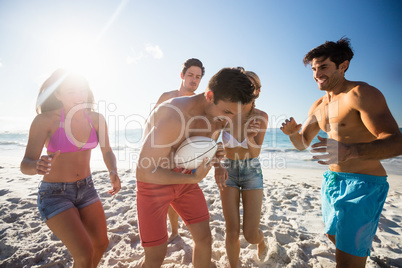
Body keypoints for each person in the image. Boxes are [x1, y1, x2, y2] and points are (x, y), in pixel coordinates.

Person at [280, 38, 402, 268]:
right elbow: (302, 142)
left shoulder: (361, 93)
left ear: (343, 66)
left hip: (364, 185)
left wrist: (350, 151)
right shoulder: (318, 105)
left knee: (346, 260)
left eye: (323, 67)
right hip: (332, 181)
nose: (317, 74)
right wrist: (291, 134)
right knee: (333, 236)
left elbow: (396, 142)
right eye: (314, 69)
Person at [136, 67, 255, 267]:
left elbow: (207, 144)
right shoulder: (175, 116)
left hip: (186, 182)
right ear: (209, 96)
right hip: (155, 183)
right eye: (226, 112)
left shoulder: (219, 116)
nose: (229, 120)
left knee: (204, 239)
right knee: (156, 254)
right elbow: (144, 170)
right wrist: (193, 178)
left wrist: (217, 162)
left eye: (234, 115)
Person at [20, 69, 121, 267]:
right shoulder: (45, 121)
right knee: (84, 253)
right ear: (57, 95)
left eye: (82, 91)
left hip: (86, 188)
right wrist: (37, 166)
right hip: (55, 194)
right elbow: (26, 164)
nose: (79, 97)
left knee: (101, 243)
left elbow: (107, 150)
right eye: (71, 92)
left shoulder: (96, 119)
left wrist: (113, 170)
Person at [214, 68, 268, 267]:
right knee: (232, 231)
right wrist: (216, 164)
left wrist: (252, 137)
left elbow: (254, 153)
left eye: (253, 85)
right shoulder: (225, 114)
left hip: (252, 171)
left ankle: (261, 241)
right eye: (245, 82)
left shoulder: (261, 116)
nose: (249, 87)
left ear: (257, 91)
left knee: (251, 234)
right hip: (228, 171)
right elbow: (210, 144)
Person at [152, 58, 205, 243]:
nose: (194, 80)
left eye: (198, 77)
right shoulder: (167, 97)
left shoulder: (200, 104)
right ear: (182, 75)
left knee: (178, 198)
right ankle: (169, 233)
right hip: (162, 157)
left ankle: (178, 231)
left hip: (184, 158)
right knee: (163, 200)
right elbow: (150, 123)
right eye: (190, 75)